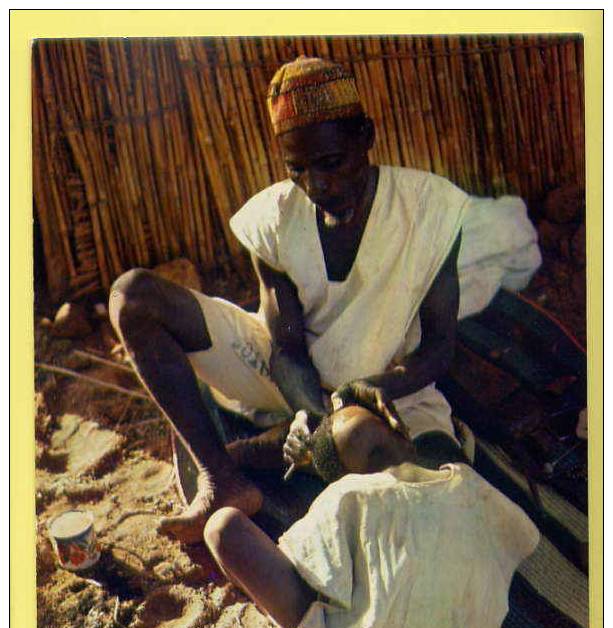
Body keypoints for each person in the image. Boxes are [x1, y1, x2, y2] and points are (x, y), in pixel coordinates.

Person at [108, 56, 540, 543]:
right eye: (297, 168)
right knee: (132, 296)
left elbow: (439, 348)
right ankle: (223, 477)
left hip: (379, 395)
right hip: (285, 380)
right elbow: (286, 350)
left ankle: (268, 450)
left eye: (331, 163)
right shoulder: (272, 218)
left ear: (366, 135)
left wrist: (371, 389)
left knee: (412, 499)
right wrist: (309, 416)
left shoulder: (430, 209)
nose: (317, 185)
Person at [203, 405, 540, 628]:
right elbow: (523, 536)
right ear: (406, 439)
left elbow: (310, 568)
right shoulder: (465, 481)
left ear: (335, 478)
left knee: (223, 529)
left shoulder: (347, 495)